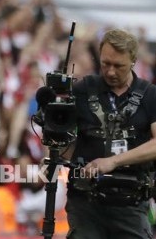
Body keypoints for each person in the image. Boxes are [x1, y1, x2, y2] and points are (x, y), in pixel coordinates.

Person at [64, 28, 156, 239]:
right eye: (106, 63)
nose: (111, 71)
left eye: (118, 66)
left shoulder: (150, 95)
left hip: (130, 203)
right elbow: (61, 135)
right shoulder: (82, 89)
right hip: (85, 203)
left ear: (133, 61)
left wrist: (113, 161)